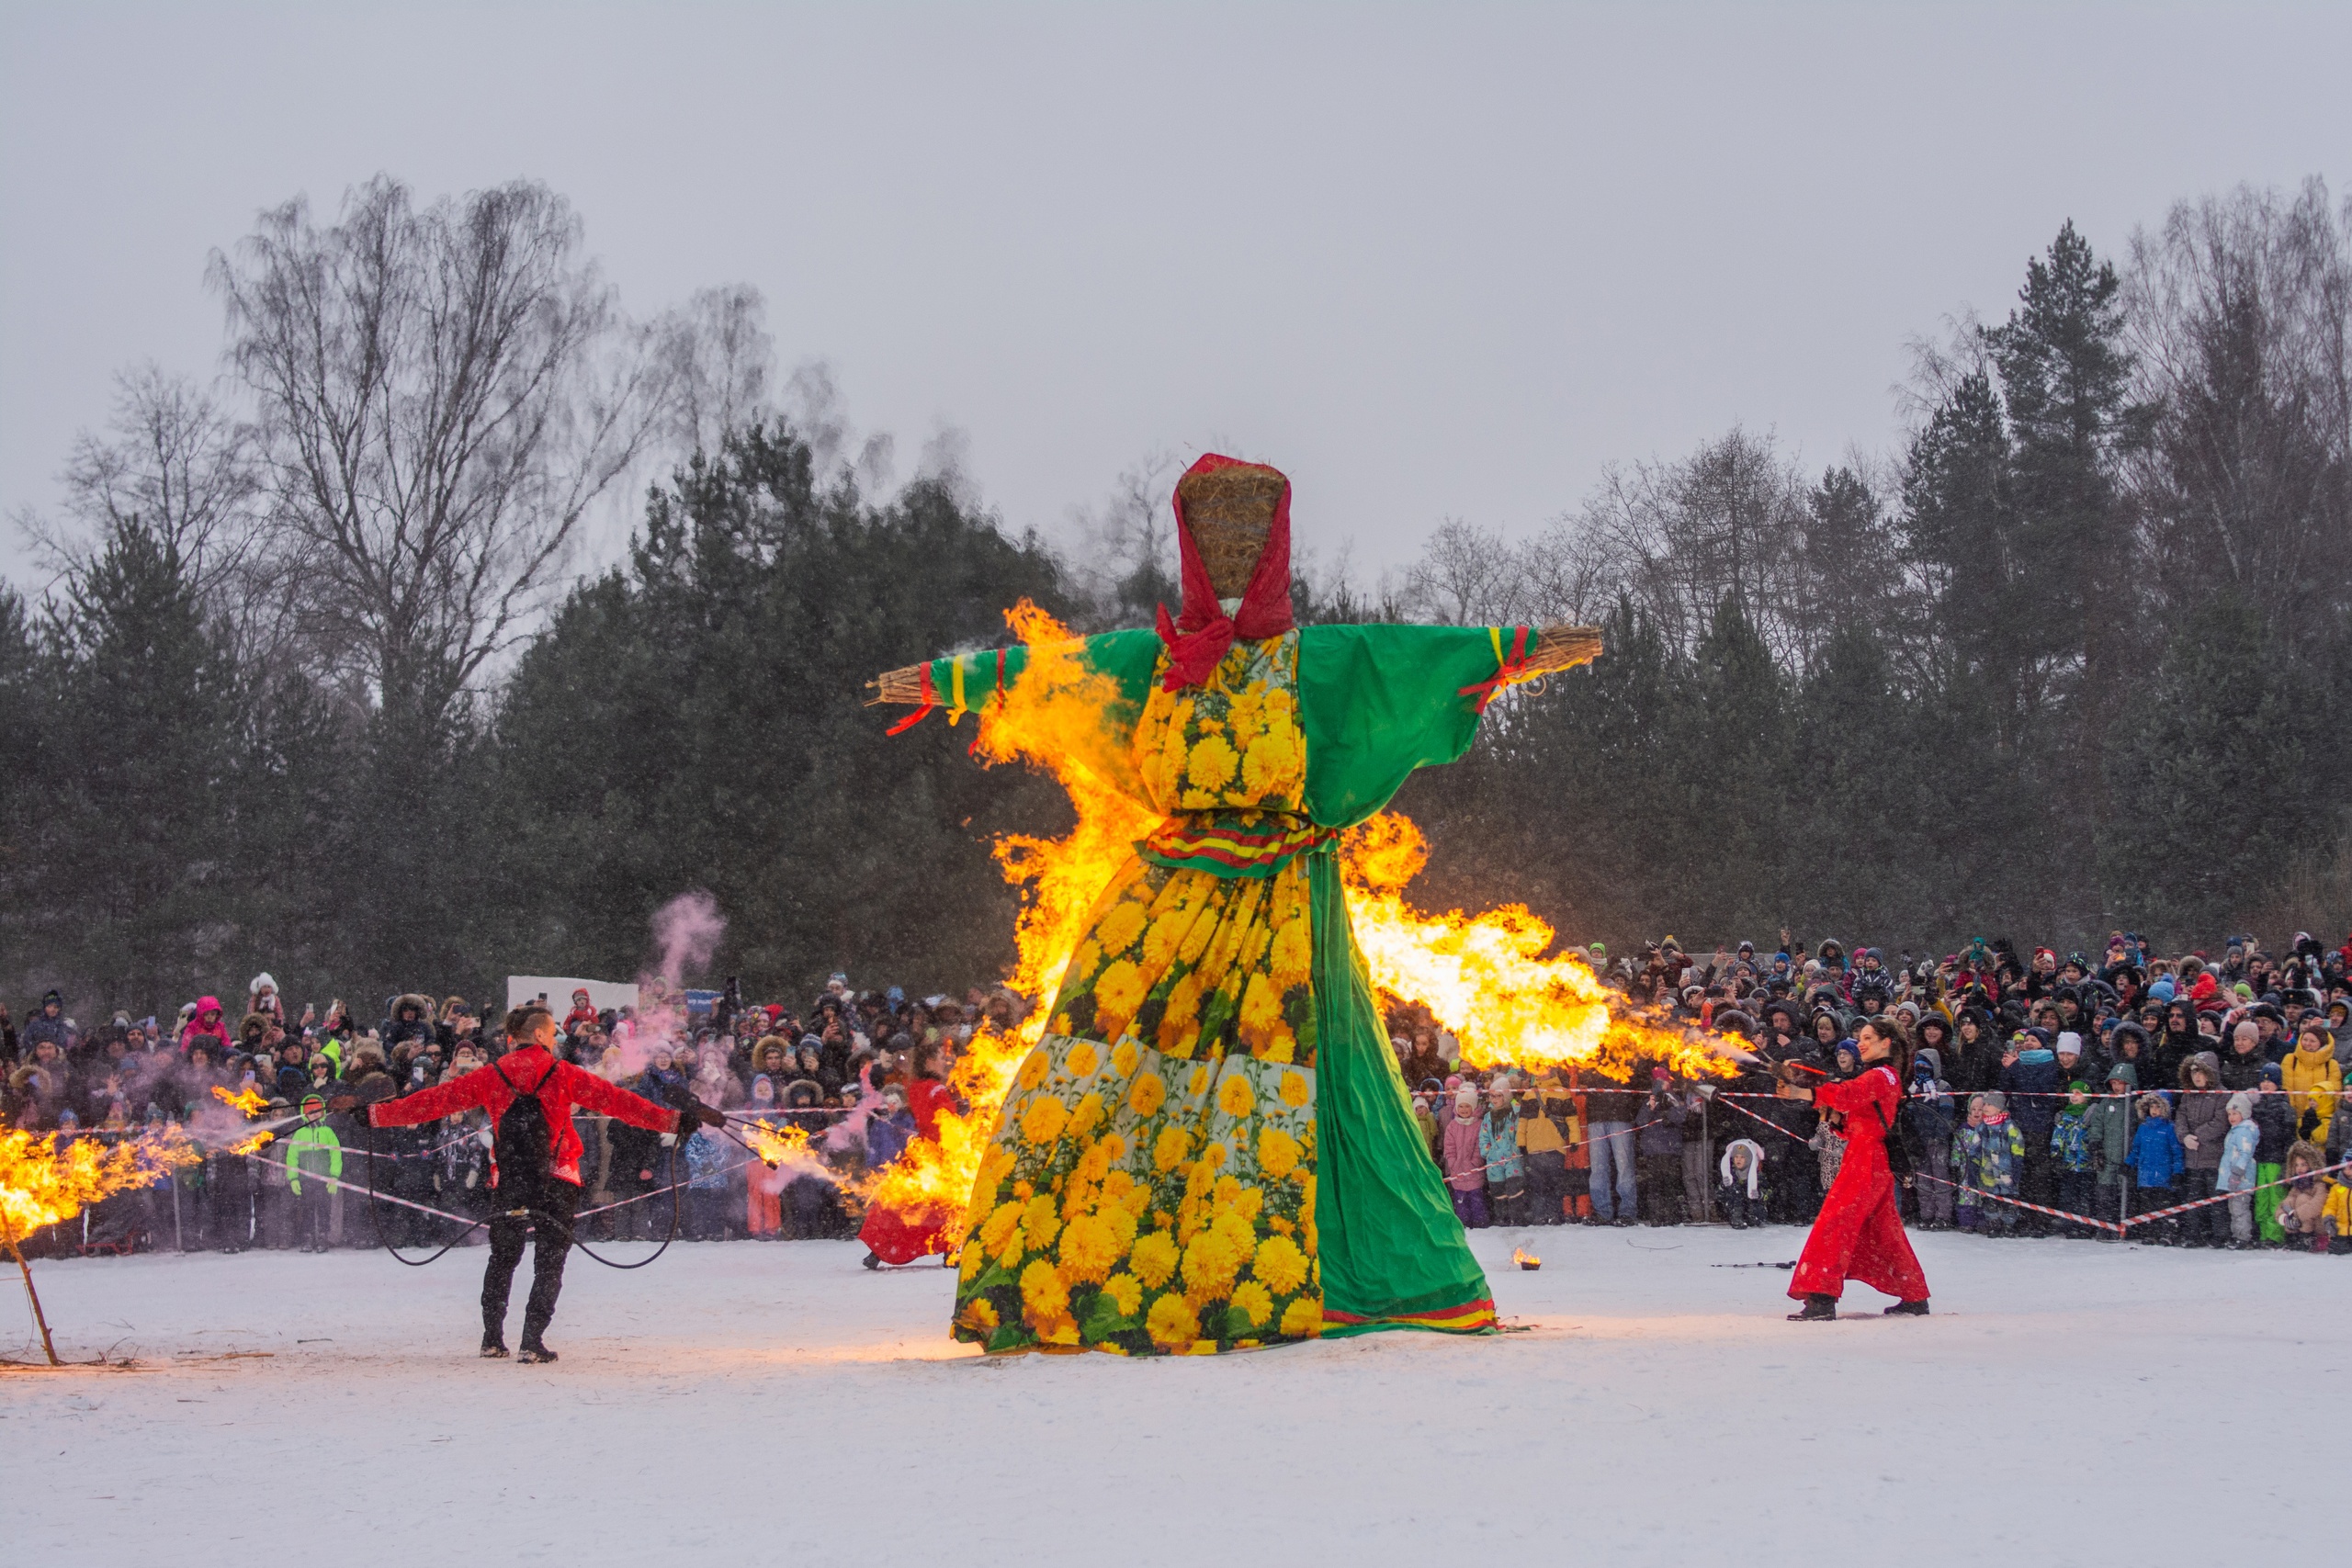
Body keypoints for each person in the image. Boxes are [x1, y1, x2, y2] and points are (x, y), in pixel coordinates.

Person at [875, 455, 1599, 1353]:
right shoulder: (1148, 660)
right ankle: (1073, 1280)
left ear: (1275, 544)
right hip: (1162, 913)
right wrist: (950, 682)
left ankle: (1331, 1278)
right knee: (1084, 1080)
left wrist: (1515, 651)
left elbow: (1412, 663)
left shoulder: (1319, 663)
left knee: (1292, 1098)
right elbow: (1052, 675)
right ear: (1185, 542)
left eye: (1248, 534)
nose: (1228, 551)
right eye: (1210, 532)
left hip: (1284, 906)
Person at [335, 1003, 720, 1362]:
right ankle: (532, 1341)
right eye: (552, 1033)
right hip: (558, 1175)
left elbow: (433, 1102)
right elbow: (618, 1102)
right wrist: (670, 1122)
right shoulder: (564, 1074)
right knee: (550, 1261)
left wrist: (374, 1116)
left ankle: (491, 1338)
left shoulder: (490, 1075)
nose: (555, 1040)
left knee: (503, 1257)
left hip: (510, 1176)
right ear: (538, 1036)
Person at [1776, 1017, 1930, 1320]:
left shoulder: (1882, 1075)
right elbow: (1853, 1116)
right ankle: (1914, 1295)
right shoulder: (1879, 1075)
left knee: (1834, 1223)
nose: (1861, 1042)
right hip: (1868, 1157)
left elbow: (1847, 1095)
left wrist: (1804, 1092)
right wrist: (1828, 1112)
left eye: (1868, 1038)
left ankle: (1820, 1297)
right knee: (1886, 1231)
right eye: (1860, 1037)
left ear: (1886, 1043)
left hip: (1867, 1160)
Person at [857, 1038, 960, 1267]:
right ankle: (950, 1250)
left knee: (902, 1202)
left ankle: (879, 1249)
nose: (946, 1062)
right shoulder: (937, 1089)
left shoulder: (915, 1087)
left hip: (920, 1150)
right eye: (941, 1058)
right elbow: (946, 1121)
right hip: (938, 1152)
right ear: (930, 1062)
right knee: (945, 1203)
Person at [284, 1093, 342, 1252]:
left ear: (322, 1112)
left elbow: (336, 1154)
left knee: (324, 1208)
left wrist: (334, 1176)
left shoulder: (328, 1132)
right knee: (306, 1208)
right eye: (310, 1112)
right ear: (305, 1114)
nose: (314, 1115)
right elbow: (292, 1156)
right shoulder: (300, 1133)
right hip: (305, 1180)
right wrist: (294, 1178)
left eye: (317, 1111)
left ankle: (323, 1236)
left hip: (324, 1180)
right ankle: (307, 1237)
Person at [2217, 1093, 2259, 1248]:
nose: (2231, 1117)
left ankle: (2243, 1237)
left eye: (2235, 1113)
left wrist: (2237, 1173)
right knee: (2234, 1209)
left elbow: (2245, 1153)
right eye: (2229, 1114)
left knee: (2240, 1209)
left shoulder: (2244, 1131)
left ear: (2244, 1113)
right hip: (2233, 1179)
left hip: (2241, 1179)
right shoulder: (2236, 1130)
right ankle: (2237, 1235)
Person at [1718, 1138, 1765, 1229]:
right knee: (1735, 1191)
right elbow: (1719, 1194)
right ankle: (1736, 1218)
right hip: (1733, 1209)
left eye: (1742, 1157)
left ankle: (1752, 1218)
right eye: (1736, 1157)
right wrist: (1723, 1186)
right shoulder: (1730, 1174)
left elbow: (1769, 1191)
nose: (1738, 1160)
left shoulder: (1757, 1175)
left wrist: (1760, 1194)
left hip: (1754, 1210)